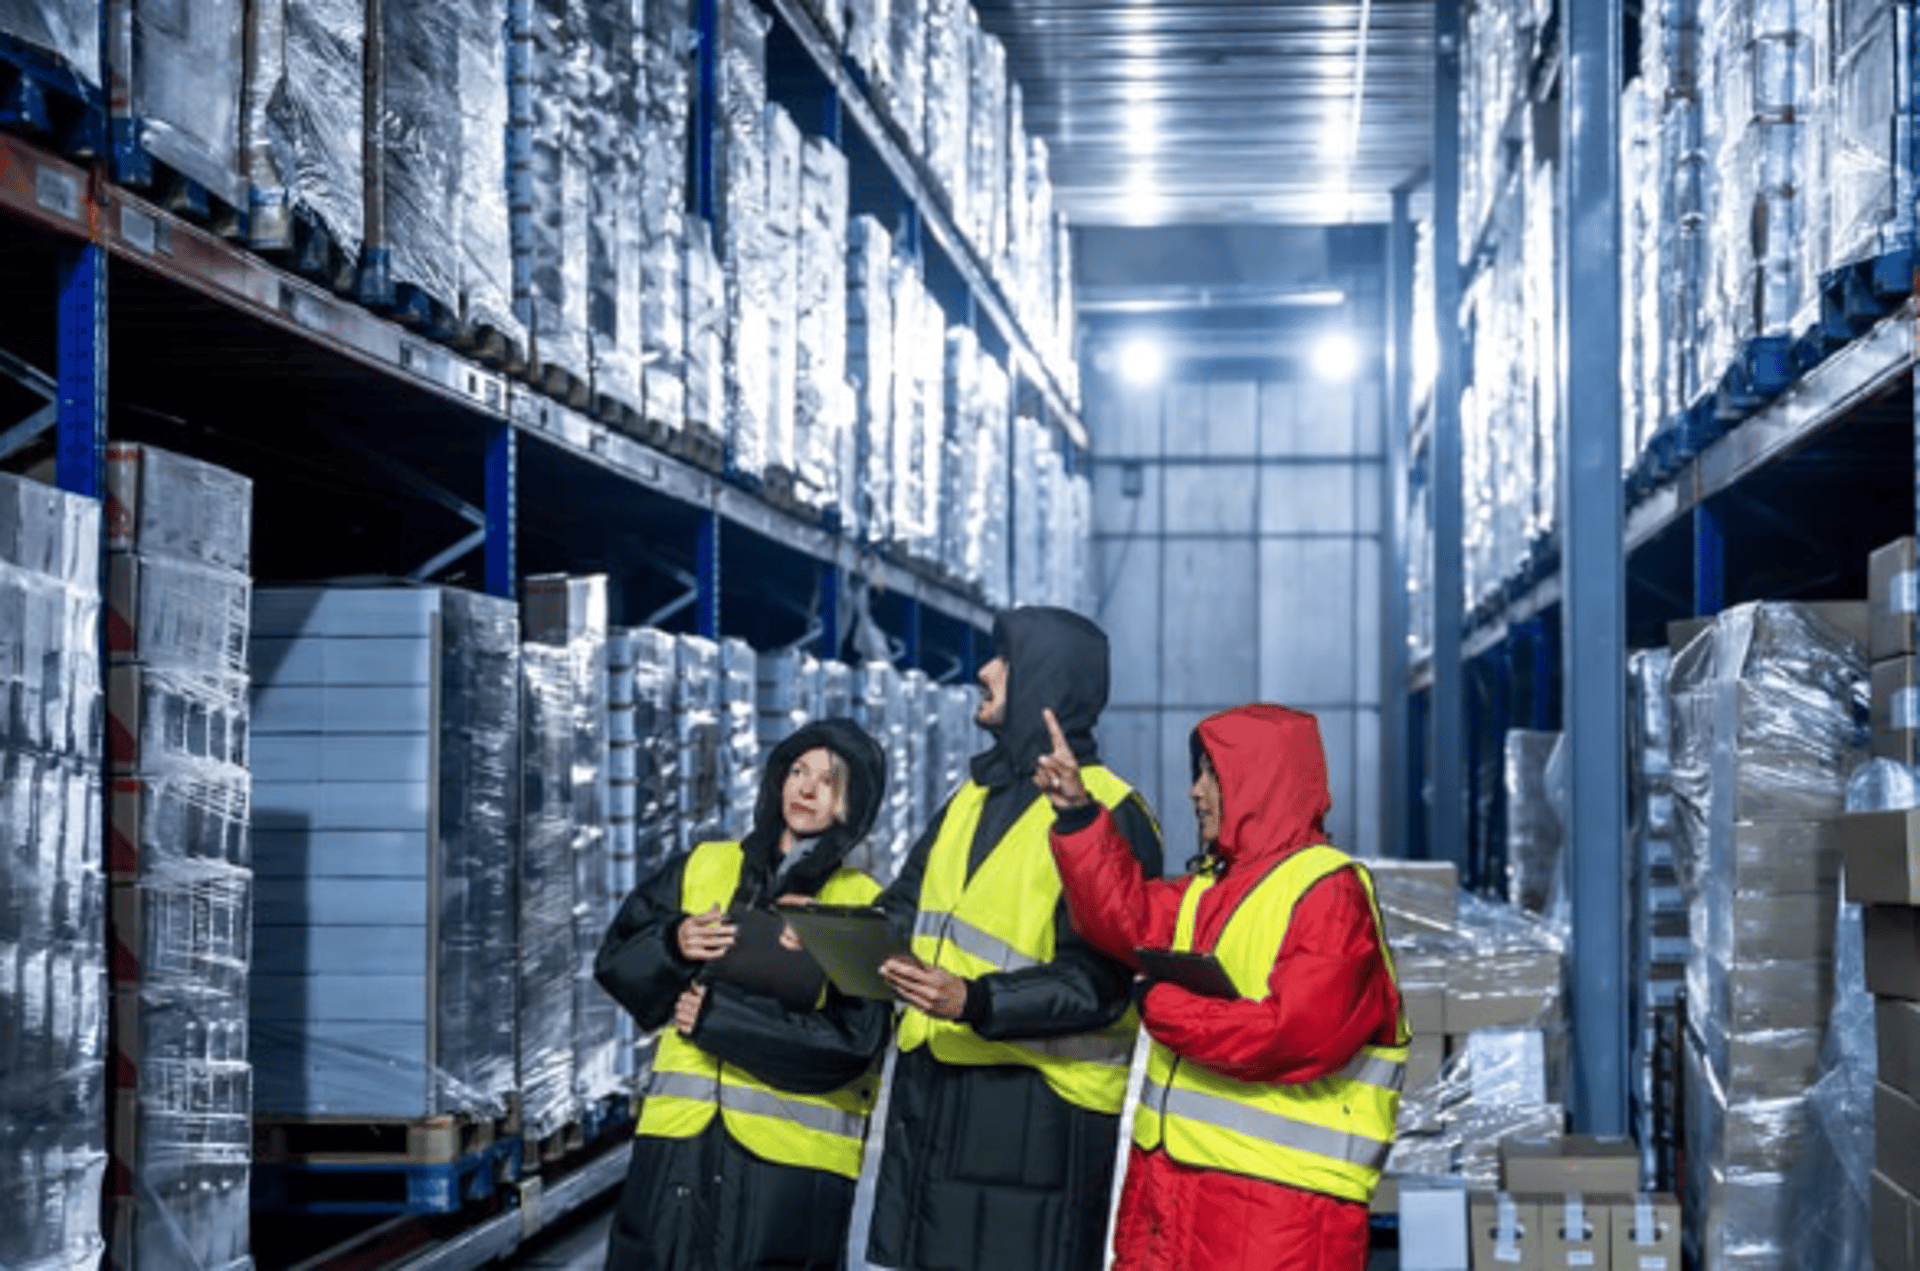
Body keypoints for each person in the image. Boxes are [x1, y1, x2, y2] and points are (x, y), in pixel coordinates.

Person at [1033, 703, 1407, 1271]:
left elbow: (1295, 1035)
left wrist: (1161, 1006)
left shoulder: (1328, 894)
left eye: (1212, 775)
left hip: (1277, 1217)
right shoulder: (1209, 891)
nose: (1195, 792)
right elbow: (1126, 918)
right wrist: (1079, 816)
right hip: (1182, 1194)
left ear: (1258, 783)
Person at [866, 606, 1164, 1271]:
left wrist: (975, 1000)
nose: (983, 671)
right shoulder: (971, 798)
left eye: (1003, 660)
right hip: (939, 1099)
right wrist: (823, 936)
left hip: (1035, 1121)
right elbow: (904, 907)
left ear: (1043, 680)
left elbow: (1099, 983)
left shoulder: (1111, 813)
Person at [595, 718, 892, 1271]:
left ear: (856, 804)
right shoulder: (706, 865)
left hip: (786, 1171)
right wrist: (674, 942)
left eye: (830, 781)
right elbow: (615, 960)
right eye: (798, 770)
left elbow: (857, 1043)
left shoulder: (858, 905)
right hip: (677, 1150)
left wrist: (719, 1019)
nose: (805, 789)